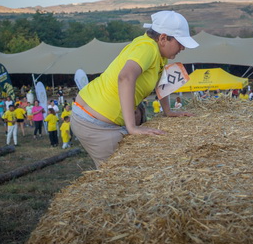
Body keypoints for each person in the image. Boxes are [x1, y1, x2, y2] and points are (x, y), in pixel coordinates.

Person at [73, 10, 198, 168]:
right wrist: (131, 127)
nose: (183, 48)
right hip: (96, 124)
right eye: (180, 42)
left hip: (96, 117)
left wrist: (168, 111)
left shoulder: (159, 53)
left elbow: (160, 81)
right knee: (119, 174)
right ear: (163, 38)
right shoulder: (147, 48)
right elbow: (125, 77)